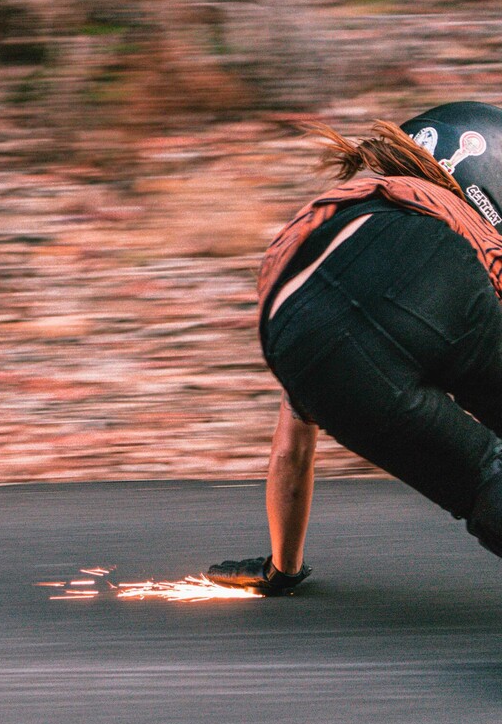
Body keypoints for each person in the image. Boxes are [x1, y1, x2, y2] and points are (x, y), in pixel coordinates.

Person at [207, 101, 502, 595]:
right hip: (429, 261)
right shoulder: (463, 220)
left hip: (298, 328)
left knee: (482, 482)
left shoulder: (348, 211)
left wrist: (281, 569)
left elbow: (290, 454)